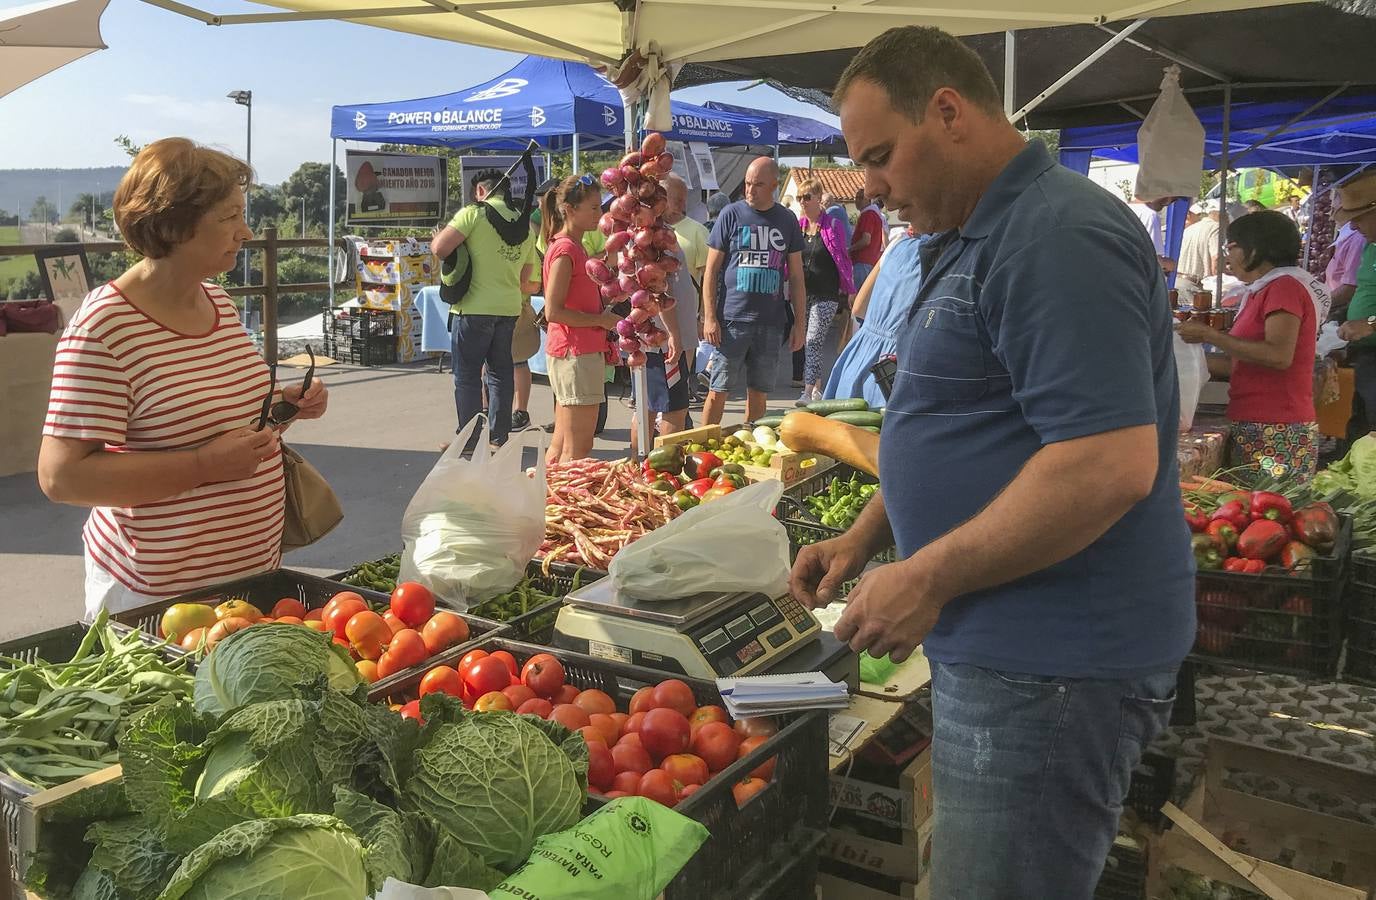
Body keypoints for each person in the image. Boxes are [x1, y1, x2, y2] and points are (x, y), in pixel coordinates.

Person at [789, 27, 1192, 899]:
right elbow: (969, 421)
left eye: (882, 155)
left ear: (949, 111)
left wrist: (928, 576)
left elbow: (1107, 464)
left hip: (1054, 667)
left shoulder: (1057, 236)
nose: (871, 186)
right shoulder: (974, 231)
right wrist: (868, 533)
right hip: (1013, 651)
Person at [38, 137, 328, 615]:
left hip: (251, 581)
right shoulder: (104, 328)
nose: (247, 231)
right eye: (230, 217)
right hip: (158, 599)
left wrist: (282, 406)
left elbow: (204, 410)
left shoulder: (218, 301)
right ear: (173, 226)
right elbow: (60, 476)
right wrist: (202, 466)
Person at [1178, 211, 1329, 480]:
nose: (1227, 255)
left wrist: (1209, 335)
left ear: (1256, 248)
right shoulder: (1263, 289)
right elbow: (1243, 360)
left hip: (1276, 425)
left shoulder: (1284, 287)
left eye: (1232, 247)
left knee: (1273, 513)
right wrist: (1181, 357)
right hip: (1255, 420)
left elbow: (1278, 355)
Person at [430, 169, 539, 450]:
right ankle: (498, 438)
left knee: (467, 376)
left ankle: (467, 442)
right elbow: (528, 279)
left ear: (480, 191)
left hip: (472, 309)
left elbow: (440, 248)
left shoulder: (473, 214)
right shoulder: (524, 224)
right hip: (508, 309)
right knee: (501, 373)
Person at [701, 158, 806, 425]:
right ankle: (701, 449)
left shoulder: (787, 219)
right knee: (718, 391)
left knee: (758, 394)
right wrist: (710, 317)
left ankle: (748, 445)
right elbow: (710, 271)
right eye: (748, 183)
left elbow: (796, 276)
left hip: (771, 323)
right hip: (733, 320)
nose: (750, 190)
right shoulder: (730, 214)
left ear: (774, 185)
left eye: (758, 184)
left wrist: (800, 324)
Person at [539, 174, 620, 464]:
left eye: (600, 207)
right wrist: (600, 320)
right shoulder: (566, 249)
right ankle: (561, 505)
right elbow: (554, 311)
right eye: (594, 208)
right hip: (575, 353)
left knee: (561, 447)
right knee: (579, 448)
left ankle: (547, 502)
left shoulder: (574, 246)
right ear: (570, 210)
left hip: (574, 352)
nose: (599, 214)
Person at [824, 226, 926, 407]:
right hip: (896, 368)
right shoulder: (949, 260)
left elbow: (859, 308)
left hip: (860, 354)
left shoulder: (897, 245)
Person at [792, 178, 856, 405]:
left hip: (827, 293)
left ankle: (808, 391)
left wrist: (850, 289)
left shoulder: (832, 226)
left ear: (819, 198)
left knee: (813, 341)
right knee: (806, 340)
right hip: (804, 293)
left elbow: (843, 259)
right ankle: (817, 387)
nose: (802, 202)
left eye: (807, 197)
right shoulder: (799, 226)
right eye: (800, 198)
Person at [1329, 174, 1376, 435]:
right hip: (1365, 356)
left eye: (1358, 218)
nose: (1354, 227)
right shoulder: (1371, 246)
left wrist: (1370, 324)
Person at [666, 175, 711, 402]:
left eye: (682, 199)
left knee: (678, 380)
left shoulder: (698, 232)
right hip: (654, 322)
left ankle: (677, 415)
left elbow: (708, 279)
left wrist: (703, 315)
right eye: (675, 198)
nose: (681, 204)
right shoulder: (649, 230)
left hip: (686, 317)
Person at [1326, 220, 1368, 319]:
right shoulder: (1369, 247)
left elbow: (1349, 289)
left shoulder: (1359, 239)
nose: (1352, 227)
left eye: (1358, 218)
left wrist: (1370, 324)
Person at [1177, 199, 1221, 292]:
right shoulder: (1216, 228)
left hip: (1179, 282)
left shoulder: (1190, 228)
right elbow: (1216, 258)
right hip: (1194, 286)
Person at [1127, 193, 1177, 272]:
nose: (1168, 203)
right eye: (1174, 199)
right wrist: (1169, 264)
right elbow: (1154, 261)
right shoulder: (1149, 215)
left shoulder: (1123, 208)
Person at [850, 188, 886, 287]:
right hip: (870, 261)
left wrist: (850, 249)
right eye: (856, 198)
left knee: (859, 296)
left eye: (860, 198)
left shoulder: (868, 214)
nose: (857, 201)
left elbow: (866, 240)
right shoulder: (874, 214)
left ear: (868, 200)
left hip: (863, 261)